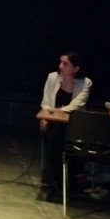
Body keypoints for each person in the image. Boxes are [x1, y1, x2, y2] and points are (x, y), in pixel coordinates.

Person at [38, 52, 93, 195]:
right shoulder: (52, 77)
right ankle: (64, 178)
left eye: (65, 63)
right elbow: (45, 103)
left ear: (76, 68)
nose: (60, 66)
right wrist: (46, 117)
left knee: (60, 136)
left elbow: (76, 105)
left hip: (75, 125)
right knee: (53, 133)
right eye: (60, 62)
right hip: (53, 122)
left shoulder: (85, 82)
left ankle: (66, 179)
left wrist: (55, 112)